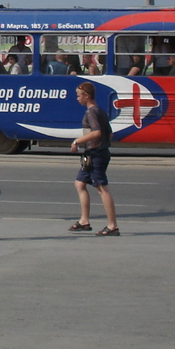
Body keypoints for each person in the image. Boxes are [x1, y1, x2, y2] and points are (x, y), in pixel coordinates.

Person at [68, 82, 118, 237]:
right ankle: (84, 221)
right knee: (80, 183)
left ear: (86, 96)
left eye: (78, 95)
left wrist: (78, 141)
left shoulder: (91, 113)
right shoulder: (100, 111)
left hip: (96, 154)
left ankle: (112, 226)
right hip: (94, 153)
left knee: (102, 189)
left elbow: (97, 132)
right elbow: (108, 133)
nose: (77, 99)